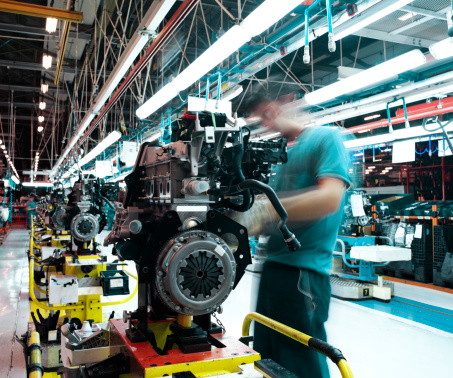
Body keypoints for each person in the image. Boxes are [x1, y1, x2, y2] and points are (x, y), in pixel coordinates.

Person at [240, 95, 351, 377]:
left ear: (278, 104)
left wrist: (266, 212)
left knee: (303, 363)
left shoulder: (326, 139)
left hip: (304, 273)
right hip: (272, 270)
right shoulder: (279, 155)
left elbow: (329, 198)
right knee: (269, 361)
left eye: (263, 115)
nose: (264, 124)